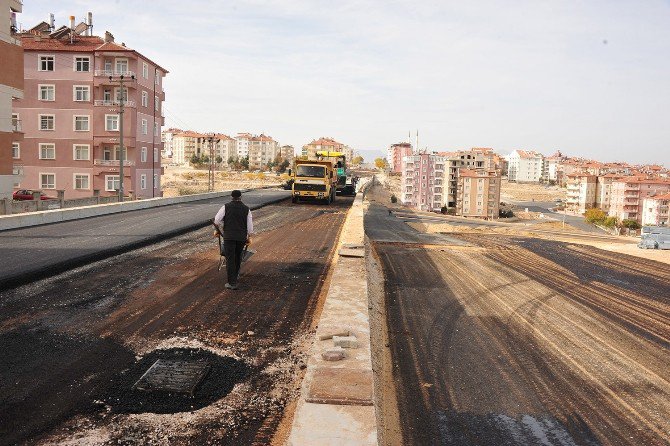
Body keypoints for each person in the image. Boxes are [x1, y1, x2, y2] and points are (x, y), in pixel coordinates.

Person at [213, 190, 253, 290]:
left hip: (229, 237)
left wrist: (216, 230)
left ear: (231, 197)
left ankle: (232, 283)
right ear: (241, 197)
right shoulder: (246, 209)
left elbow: (217, 220)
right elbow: (250, 226)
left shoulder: (225, 207)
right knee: (238, 257)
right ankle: (235, 276)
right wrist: (249, 236)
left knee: (230, 259)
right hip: (241, 237)